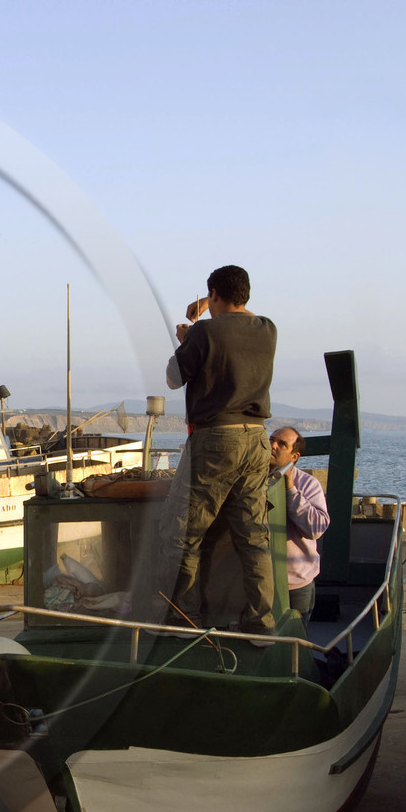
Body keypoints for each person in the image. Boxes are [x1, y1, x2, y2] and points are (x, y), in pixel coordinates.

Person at [154, 264, 277, 635]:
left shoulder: (204, 332)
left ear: (216, 296)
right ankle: (261, 622)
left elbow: (174, 379)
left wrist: (186, 339)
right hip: (257, 439)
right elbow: (242, 318)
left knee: (181, 533)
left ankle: (184, 618)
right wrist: (215, 303)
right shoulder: (268, 330)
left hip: (216, 439)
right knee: (253, 536)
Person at [269, 426, 329, 617]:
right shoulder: (251, 479)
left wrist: (291, 490)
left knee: (297, 635)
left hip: (296, 583)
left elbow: (316, 528)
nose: (273, 445)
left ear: (294, 456)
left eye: (282, 444)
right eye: (272, 439)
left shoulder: (309, 484)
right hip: (259, 581)